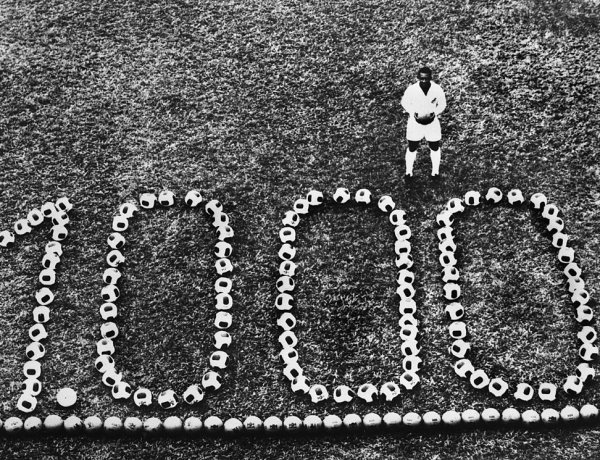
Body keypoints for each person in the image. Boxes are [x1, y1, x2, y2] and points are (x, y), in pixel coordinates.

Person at [401, 66, 447, 178]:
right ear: (418, 78)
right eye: (421, 78)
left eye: (426, 78)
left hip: (432, 123)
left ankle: (435, 172)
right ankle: (409, 172)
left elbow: (442, 104)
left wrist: (434, 113)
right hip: (415, 123)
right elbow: (404, 102)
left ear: (431, 78)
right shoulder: (412, 89)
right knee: (412, 146)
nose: (424, 81)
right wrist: (413, 113)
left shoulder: (437, 89)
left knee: (435, 146)